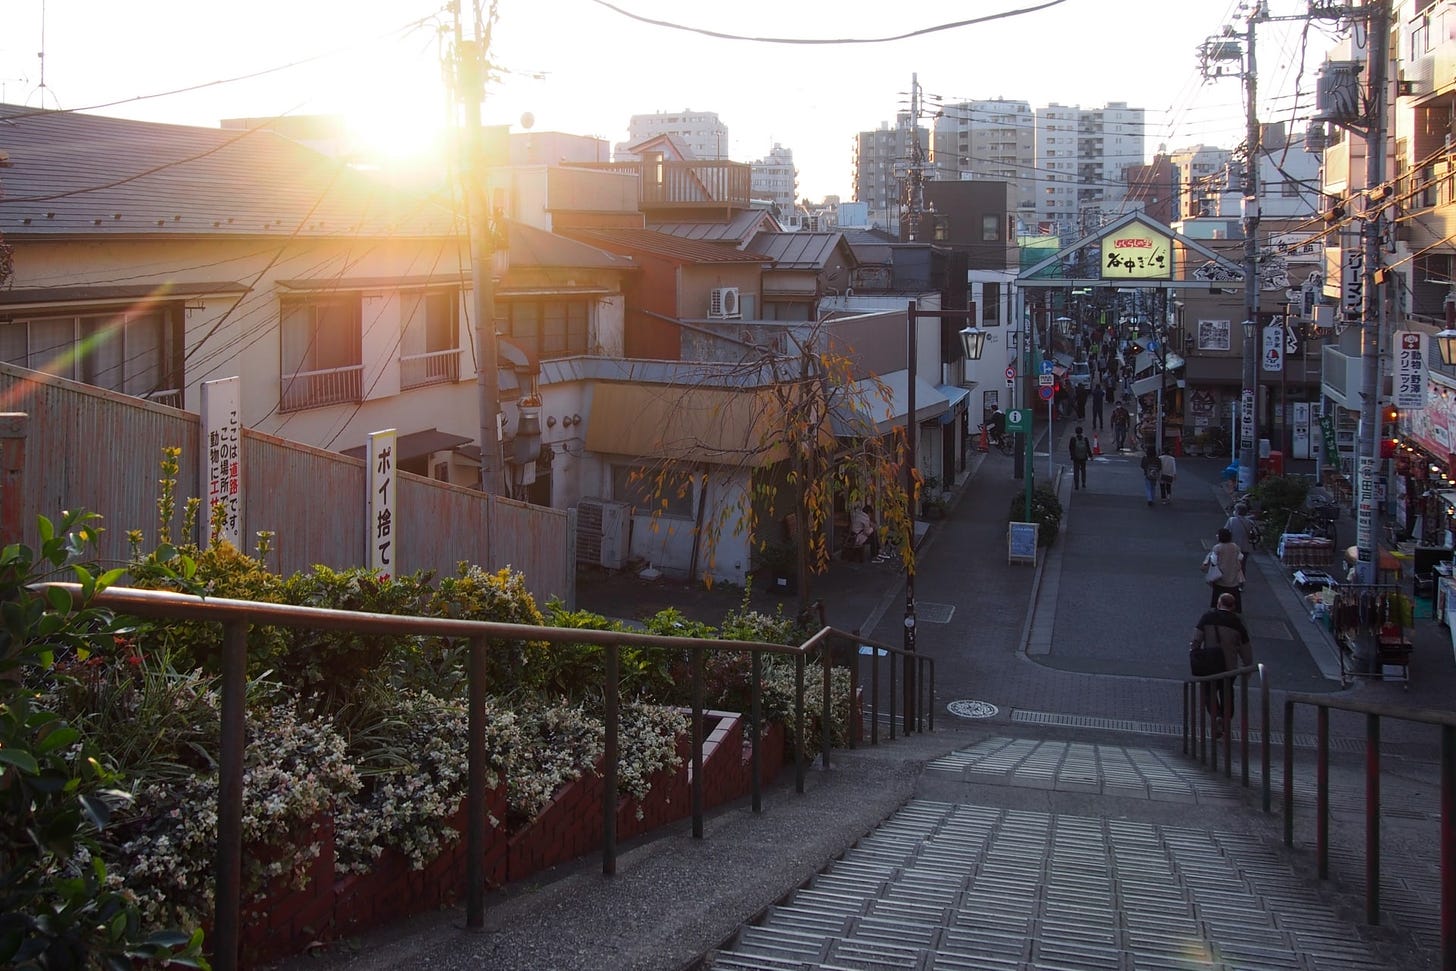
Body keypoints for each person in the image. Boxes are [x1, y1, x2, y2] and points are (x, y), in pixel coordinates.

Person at [1189, 591, 1253, 736]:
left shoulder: (1207, 617)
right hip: (1229, 667)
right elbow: (1245, 648)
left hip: (1210, 663)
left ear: (1219, 603)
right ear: (1233, 606)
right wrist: (1247, 666)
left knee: (1208, 692)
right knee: (1227, 692)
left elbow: (1196, 638)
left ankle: (1216, 714)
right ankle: (1225, 718)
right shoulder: (1238, 624)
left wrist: (1194, 651)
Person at [1203, 526, 1245, 611]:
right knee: (1234, 592)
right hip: (1233, 575)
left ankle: (1216, 607)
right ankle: (1236, 608)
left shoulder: (1217, 547)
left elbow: (1214, 561)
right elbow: (1240, 558)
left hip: (1220, 576)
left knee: (1217, 592)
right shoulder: (1235, 546)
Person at [1224, 501, 1261, 565]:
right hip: (1245, 547)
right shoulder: (1250, 522)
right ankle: (1241, 575)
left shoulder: (1232, 520)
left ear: (1237, 511)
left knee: (1230, 565)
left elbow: (1225, 531)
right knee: (1242, 565)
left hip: (1233, 546)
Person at [1069, 425, 1091, 490]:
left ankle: (1076, 485)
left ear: (1075, 432)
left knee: (1076, 471)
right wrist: (1090, 456)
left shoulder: (1073, 439)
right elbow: (1088, 448)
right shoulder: (1085, 439)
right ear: (1082, 432)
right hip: (1083, 457)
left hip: (1076, 458)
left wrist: (1072, 456)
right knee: (1083, 470)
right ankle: (1083, 483)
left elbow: (1071, 448)